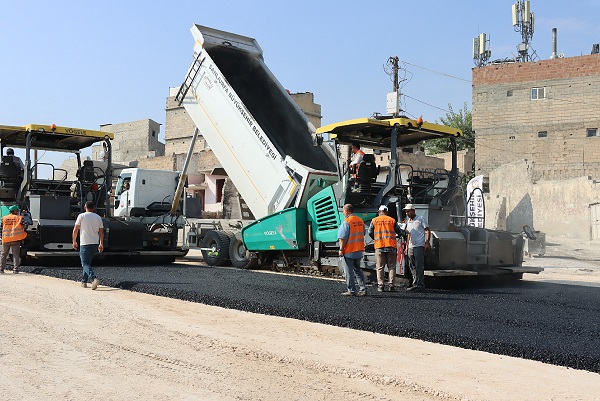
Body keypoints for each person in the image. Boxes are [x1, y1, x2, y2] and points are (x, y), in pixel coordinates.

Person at [368, 205, 403, 292]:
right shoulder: (392, 220)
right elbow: (399, 232)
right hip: (391, 246)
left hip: (379, 246)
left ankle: (381, 286)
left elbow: (369, 232)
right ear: (386, 212)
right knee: (391, 267)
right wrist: (404, 233)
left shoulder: (374, 220)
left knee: (380, 267)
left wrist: (376, 238)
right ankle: (391, 285)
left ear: (379, 212)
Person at [72, 201, 104, 289]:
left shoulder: (81, 216)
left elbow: (76, 229)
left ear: (85, 207)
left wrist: (74, 241)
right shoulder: (98, 217)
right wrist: (101, 243)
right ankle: (84, 282)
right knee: (88, 263)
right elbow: (101, 231)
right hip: (94, 243)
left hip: (85, 243)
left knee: (84, 263)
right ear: (94, 208)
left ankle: (93, 278)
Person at [338, 203, 367, 296]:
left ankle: (352, 290)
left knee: (348, 271)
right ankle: (363, 289)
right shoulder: (360, 220)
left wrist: (341, 249)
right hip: (358, 249)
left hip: (349, 250)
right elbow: (363, 233)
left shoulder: (347, 221)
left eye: (343, 211)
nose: (343, 213)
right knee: (358, 270)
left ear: (347, 211)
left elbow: (343, 238)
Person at [403, 204, 430, 292]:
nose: (407, 213)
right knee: (412, 265)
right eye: (406, 211)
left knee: (419, 265)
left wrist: (427, 242)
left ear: (413, 210)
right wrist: (406, 247)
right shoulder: (408, 221)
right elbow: (409, 234)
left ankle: (420, 285)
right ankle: (415, 283)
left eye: (409, 211)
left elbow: (427, 230)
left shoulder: (420, 218)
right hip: (411, 245)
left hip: (419, 245)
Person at [1, 205, 27, 274]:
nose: (18, 211)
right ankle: (15, 270)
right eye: (17, 210)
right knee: (15, 255)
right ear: (14, 211)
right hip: (15, 239)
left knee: (3, 255)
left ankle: (1, 269)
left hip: (6, 239)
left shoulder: (4, 218)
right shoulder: (19, 218)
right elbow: (25, 224)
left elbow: (1, 227)